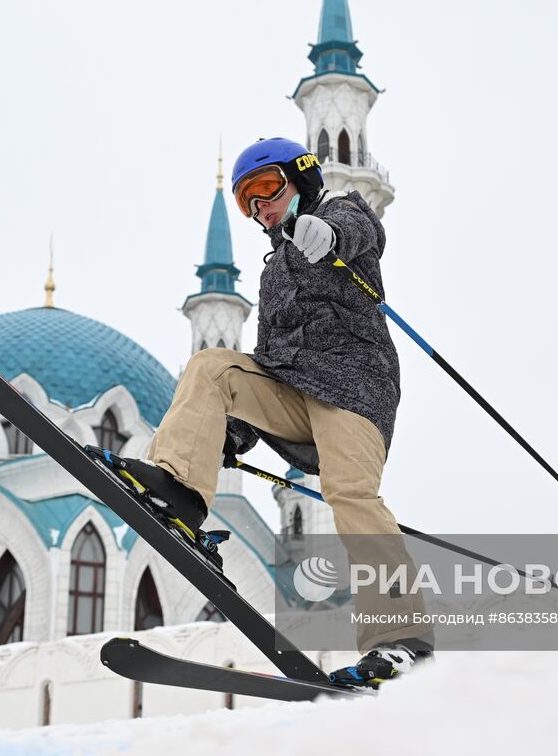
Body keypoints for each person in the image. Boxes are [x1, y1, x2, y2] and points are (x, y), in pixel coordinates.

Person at [112, 137, 433, 685]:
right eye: (248, 201)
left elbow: (365, 230)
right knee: (213, 367)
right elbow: (269, 361)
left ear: (302, 180)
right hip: (294, 391)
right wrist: (230, 434)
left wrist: (330, 233)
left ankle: (400, 638)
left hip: (352, 386)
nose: (260, 207)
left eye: (266, 189)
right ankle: (180, 491)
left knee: (350, 494)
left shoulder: (339, 211)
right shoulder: (273, 271)